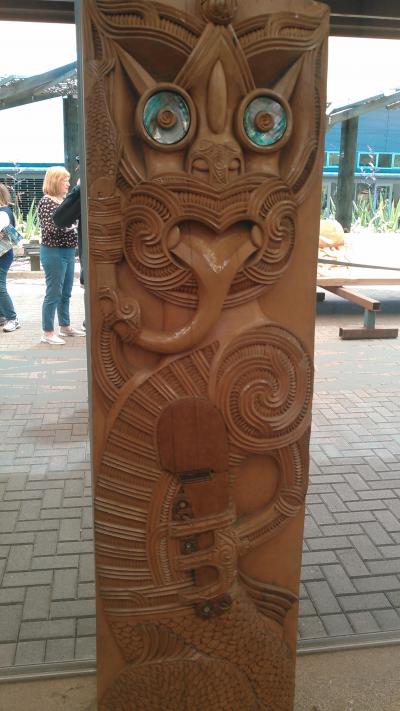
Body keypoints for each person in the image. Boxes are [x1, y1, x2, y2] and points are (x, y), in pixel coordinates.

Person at [38, 166, 85, 345]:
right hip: (53, 251)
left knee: (66, 292)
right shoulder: (46, 201)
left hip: (68, 250)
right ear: (55, 182)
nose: (67, 184)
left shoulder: (64, 201)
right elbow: (51, 228)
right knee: (53, 292)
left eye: (68, 180)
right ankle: (47, 332)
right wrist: (72, 227)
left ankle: (65, 326)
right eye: (64, 180)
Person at [53, 157, 86, 331]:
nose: (77, 170)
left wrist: (79, 188)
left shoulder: (84, 189)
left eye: (80, 166)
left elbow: (60, 218)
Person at [0, 184, 21, 333]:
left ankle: (12, 318)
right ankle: (2, 316)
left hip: (3, 254)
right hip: (4, 253)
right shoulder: (5, 211)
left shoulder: (3, 213)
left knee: (0, 286)